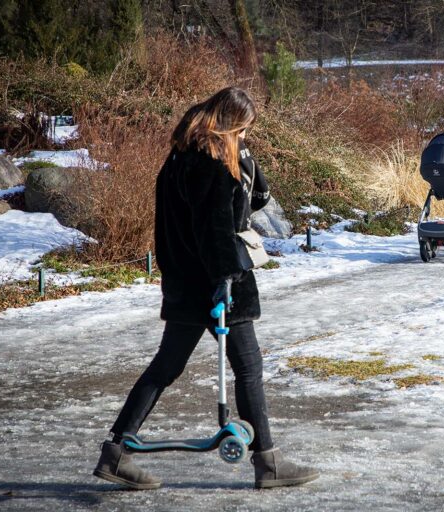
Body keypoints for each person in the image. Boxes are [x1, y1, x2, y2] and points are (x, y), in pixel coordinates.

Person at [93, 87, 319, 490]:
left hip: (184, 280)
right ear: (233, 125)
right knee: (248, 368)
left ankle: (116, 452)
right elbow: (215, 228)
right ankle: (267, 461)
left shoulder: (180, 155)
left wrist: (247, 161)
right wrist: (226, 278)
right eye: (245, 131)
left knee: (166, 366)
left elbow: (254, 199)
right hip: (218, 285)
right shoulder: (215, 163)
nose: (245, 138)